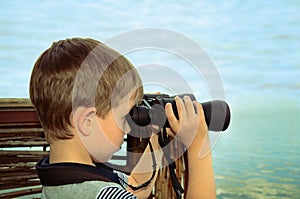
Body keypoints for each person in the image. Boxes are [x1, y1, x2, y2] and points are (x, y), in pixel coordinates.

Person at [30, 37, 216, 198]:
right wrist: (198, 144)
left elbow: (135, 187)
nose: (127, 128)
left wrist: (157, 138)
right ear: (87, 121)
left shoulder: (62, 176)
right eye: (123, 117)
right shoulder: (104, 194)